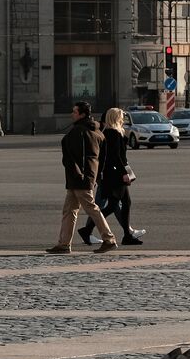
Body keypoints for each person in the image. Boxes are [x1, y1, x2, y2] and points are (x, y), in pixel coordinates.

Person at [47, 100, 116, 254]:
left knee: (91, 208)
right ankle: (64, 244)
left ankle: (109, 239)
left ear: (82, 114)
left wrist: (80, 174)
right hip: (85, 175)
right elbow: (102, 157)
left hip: (79, 177)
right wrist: (97, 175)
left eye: (75, 112)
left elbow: (76, 156)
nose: (72, 114)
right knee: (69, 210)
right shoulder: (97, 132)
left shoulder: (79, 131)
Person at [80, 108, 145, 247]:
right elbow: (116, 157)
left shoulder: (110, 132)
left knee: (124, 203)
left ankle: (126, 234)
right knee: (113, 205)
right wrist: (124, 173)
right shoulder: (113, 133)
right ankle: (88, 229)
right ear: (116, 118)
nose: (123, 119)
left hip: (113, 173)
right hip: (115, 175)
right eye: (122, 117)